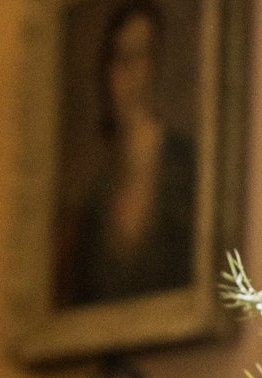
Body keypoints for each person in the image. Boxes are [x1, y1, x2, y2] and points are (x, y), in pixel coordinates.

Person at [57, 0, 197, 306]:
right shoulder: (93, 203)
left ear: (158, 65)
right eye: (122, 58)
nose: (133, 73)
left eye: (142, 55)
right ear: (107, 73)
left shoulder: (189, 169)